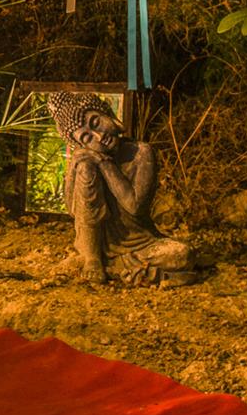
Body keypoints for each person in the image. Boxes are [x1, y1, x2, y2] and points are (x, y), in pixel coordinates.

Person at [48, 90, 202, 287]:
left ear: (106, 112)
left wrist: (104, 163)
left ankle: (117, 268)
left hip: (140, 243)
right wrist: (75, 166)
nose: (99, 136)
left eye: (95, 122)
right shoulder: (87, 161)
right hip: (97, 244)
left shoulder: (140, 153)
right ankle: (93, 259)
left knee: (182, 254)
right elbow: (73, 210)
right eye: (86, 138)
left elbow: (134, 207)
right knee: (85, 168)